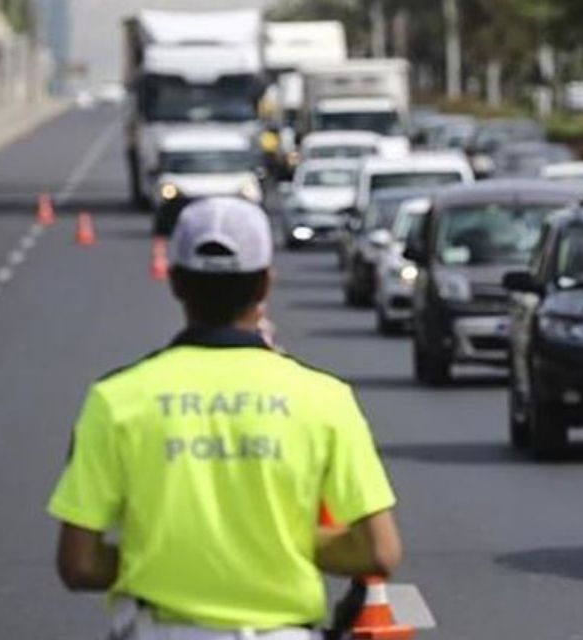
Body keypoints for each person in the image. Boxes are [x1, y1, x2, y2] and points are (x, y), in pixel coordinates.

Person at [47, 197, 402, 639]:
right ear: (265, 285)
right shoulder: (324, 399)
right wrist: (271, 547)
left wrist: (163, 558)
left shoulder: (117, 399)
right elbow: (379, 550)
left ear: (175, 282)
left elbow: (78, 564)